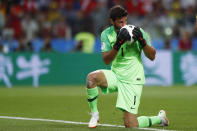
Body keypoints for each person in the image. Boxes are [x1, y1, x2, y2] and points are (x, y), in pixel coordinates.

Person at [86, 5, 169, 128]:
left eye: (125, 21)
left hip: (132, 79)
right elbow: (106, 61)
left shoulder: (137, 32)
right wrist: (118, 44)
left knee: (131, 125)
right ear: (112, 21)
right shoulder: (106, 34)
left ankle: (159, 118)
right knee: (91, 78)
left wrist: (142, 41)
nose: (124, 24)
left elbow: (152, 56)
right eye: (120, 22)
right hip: (116, 75)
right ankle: (94, 115)